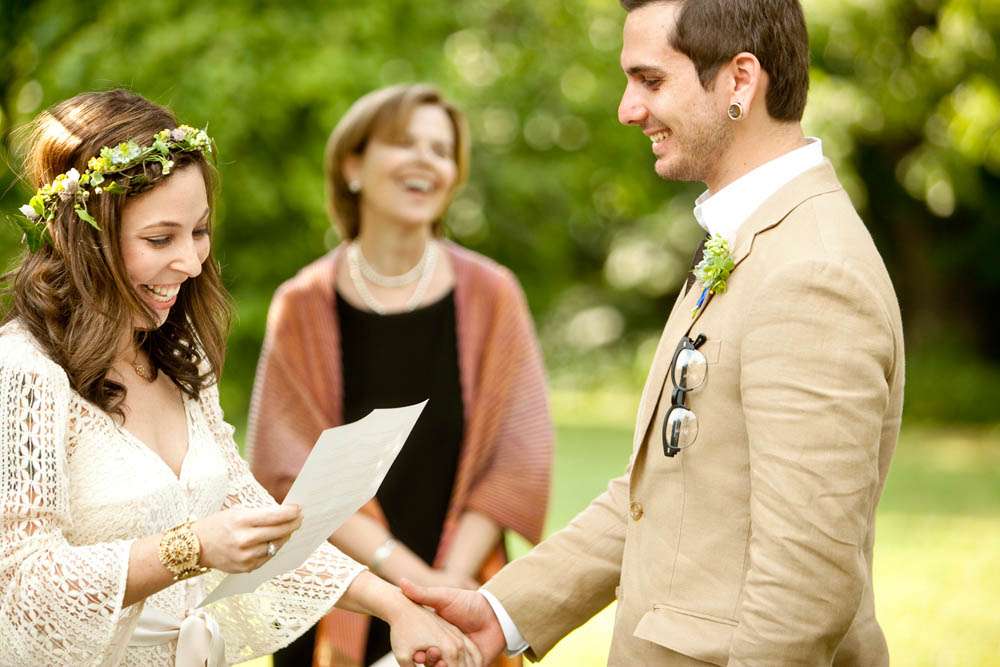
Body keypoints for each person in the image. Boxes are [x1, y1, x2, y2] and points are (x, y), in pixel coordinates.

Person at [401, 1, 905, 665]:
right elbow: (666, 492)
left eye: (651, 80)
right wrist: (502, 610)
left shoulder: (812, 273)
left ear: (740, 80)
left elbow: (806, 589)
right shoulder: (751, 239)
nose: (627, 109)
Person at [0, 89, 480, 667]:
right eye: (160, 239)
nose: (190, 261)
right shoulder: (23, 373)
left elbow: (253, 518)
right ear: (86, 239)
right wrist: (192, 548)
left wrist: (396, 607)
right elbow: (21, 587)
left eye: (199, 231)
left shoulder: (180, 358)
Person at [246, 83, 553, 667]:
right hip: (337, 598)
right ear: (352, 165)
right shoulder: (302, 304)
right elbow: (290, 475)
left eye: (441, 150)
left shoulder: (492, 294)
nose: (425, 160)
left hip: (464, 594)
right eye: (404, 142)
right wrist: (413, 582)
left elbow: (518, 459)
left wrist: (451, 583)